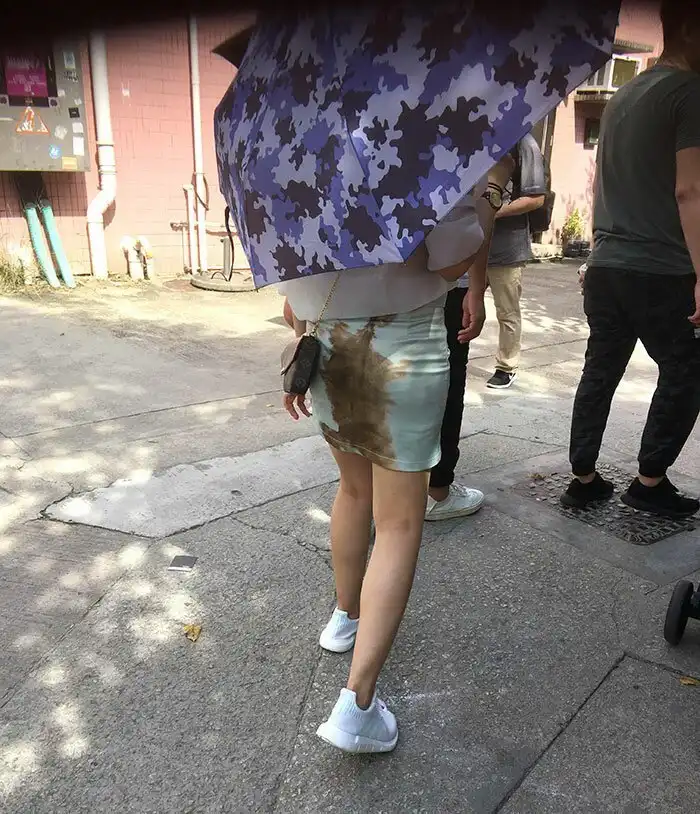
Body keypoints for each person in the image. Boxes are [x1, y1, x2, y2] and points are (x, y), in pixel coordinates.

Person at [280, 157, 513, 754]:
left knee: (352, 489)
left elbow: (289, 302)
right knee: (400, 523)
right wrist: (489, 191)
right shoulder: (417, 140)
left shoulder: (295, 154)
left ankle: (345, 617)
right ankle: (358, 706)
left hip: (326, 343)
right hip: (404, 344)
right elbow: (451, 260)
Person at [561, 0, 700, 518]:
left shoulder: (623, 95)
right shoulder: (690, 93)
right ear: (689, 28)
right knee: (686, 371)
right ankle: (649, 482)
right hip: (662, 268)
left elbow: (604, 183)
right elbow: (690, 191)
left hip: (608, 266)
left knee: (600, 369)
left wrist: (597, 248)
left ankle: (583, 479)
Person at [485, 133, 547, 389]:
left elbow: (536, 198)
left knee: (506, 311)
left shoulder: (524, 144)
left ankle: (506, 366)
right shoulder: (476, 135)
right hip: (471, 241)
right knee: (459, 303)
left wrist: (493, 213)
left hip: (506, 246)